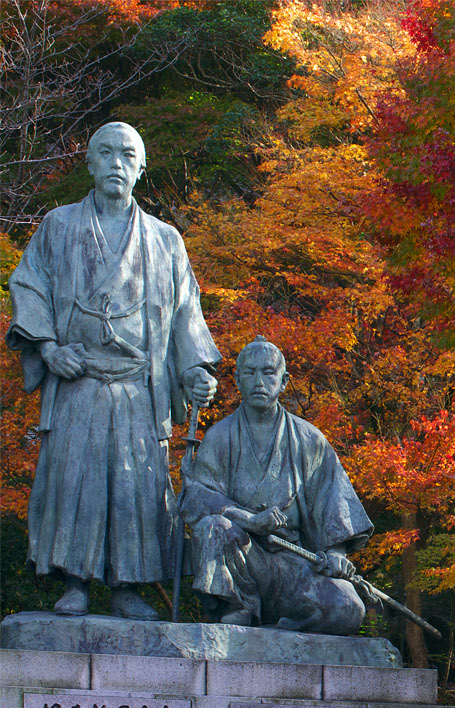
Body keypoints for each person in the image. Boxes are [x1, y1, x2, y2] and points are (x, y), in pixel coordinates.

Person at [6, 122, 220, 619]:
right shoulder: (59, 226)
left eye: (128, 155)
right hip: (78, 378)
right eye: (106, 153)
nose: (116, 163)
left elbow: (187, 311)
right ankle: (75, 581)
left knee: (137, 485)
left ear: (141, 169)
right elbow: (29, 286)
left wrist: (195, 371)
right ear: (90, 163)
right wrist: (49, 347)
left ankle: (129, 586)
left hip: (138, 385)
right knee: (74, 479)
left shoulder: (165, 241)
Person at [179, 337, 374, 635]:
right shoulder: (219, 437)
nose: (259, 381)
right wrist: (249, 521)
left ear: (284, 382)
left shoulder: (309, 440)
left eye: (268, 373)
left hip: (295, 566)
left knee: (349, 608)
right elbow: (197, 498)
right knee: (214, 527)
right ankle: (238, 605)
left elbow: (333, 505)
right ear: (238, 380)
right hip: (243, 559)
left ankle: (282, 628)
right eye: (250, 373)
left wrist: (336, 555)